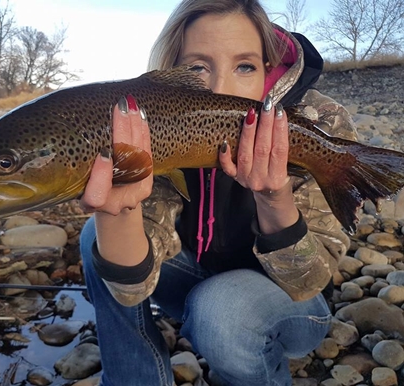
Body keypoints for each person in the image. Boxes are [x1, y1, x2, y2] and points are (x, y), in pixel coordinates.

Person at [79, 0, 357, 385]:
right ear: (172, 72)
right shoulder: (157, 128)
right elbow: (130, 290)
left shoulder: (316, 122)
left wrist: (275, 199)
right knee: (96, 234)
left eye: (244, 66)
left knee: (222, 310)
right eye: (197, 67)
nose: (219, 88)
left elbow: (310, 283)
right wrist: (116, 213)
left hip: (294, 306)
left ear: (267, 69)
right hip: (197, 280)